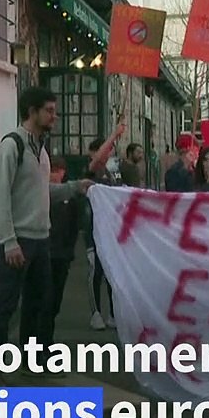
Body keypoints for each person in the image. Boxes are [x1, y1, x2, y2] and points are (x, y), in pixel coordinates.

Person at [0, 86, 92, 383]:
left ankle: (31, 361)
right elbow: (0, 196)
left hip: (40, 239)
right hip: (18, 239)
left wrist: (74, 187)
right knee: (7, 305)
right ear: (31, 111)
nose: (54, 117)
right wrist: (8, 241)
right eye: (49, 111)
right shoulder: (12, 146)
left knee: (38, 302)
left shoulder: (40, 150)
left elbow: (40, 193)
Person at [83, 135, 121, 330]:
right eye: (109, 149)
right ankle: (96, 313)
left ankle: (113, 314)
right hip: (93, 229)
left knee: (112, 273)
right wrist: (113, 135)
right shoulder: (90, 171)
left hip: (111, 231)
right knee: (95, 272)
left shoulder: (113, 172)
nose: (111, 153)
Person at [47, 156, 81, 332]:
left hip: (62, 253)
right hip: (45, 252)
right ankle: (41, 342)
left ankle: (46, 338)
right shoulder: (42, 194)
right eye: (51, 171)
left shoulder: (69, 197)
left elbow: (74, 225)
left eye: (57, 171)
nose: (53, 175)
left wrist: (69, 249)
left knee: (55, 299)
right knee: (44, 299)